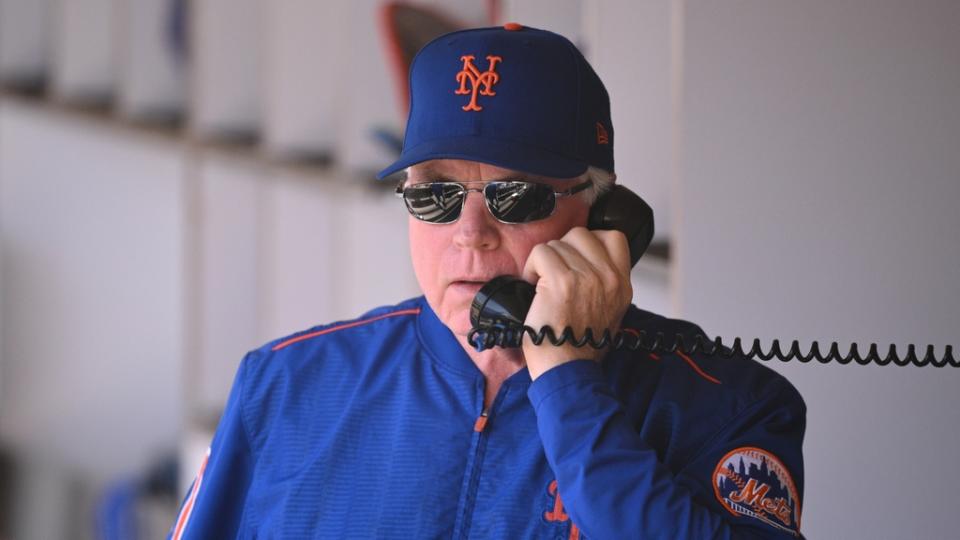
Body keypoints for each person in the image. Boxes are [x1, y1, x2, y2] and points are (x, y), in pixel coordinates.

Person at [169, 24, 805, 539]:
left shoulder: (729, 406)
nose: (470, 232)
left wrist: (568, 383)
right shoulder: (285, 387)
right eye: (435, 196)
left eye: (516, 195)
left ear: (608, 221)